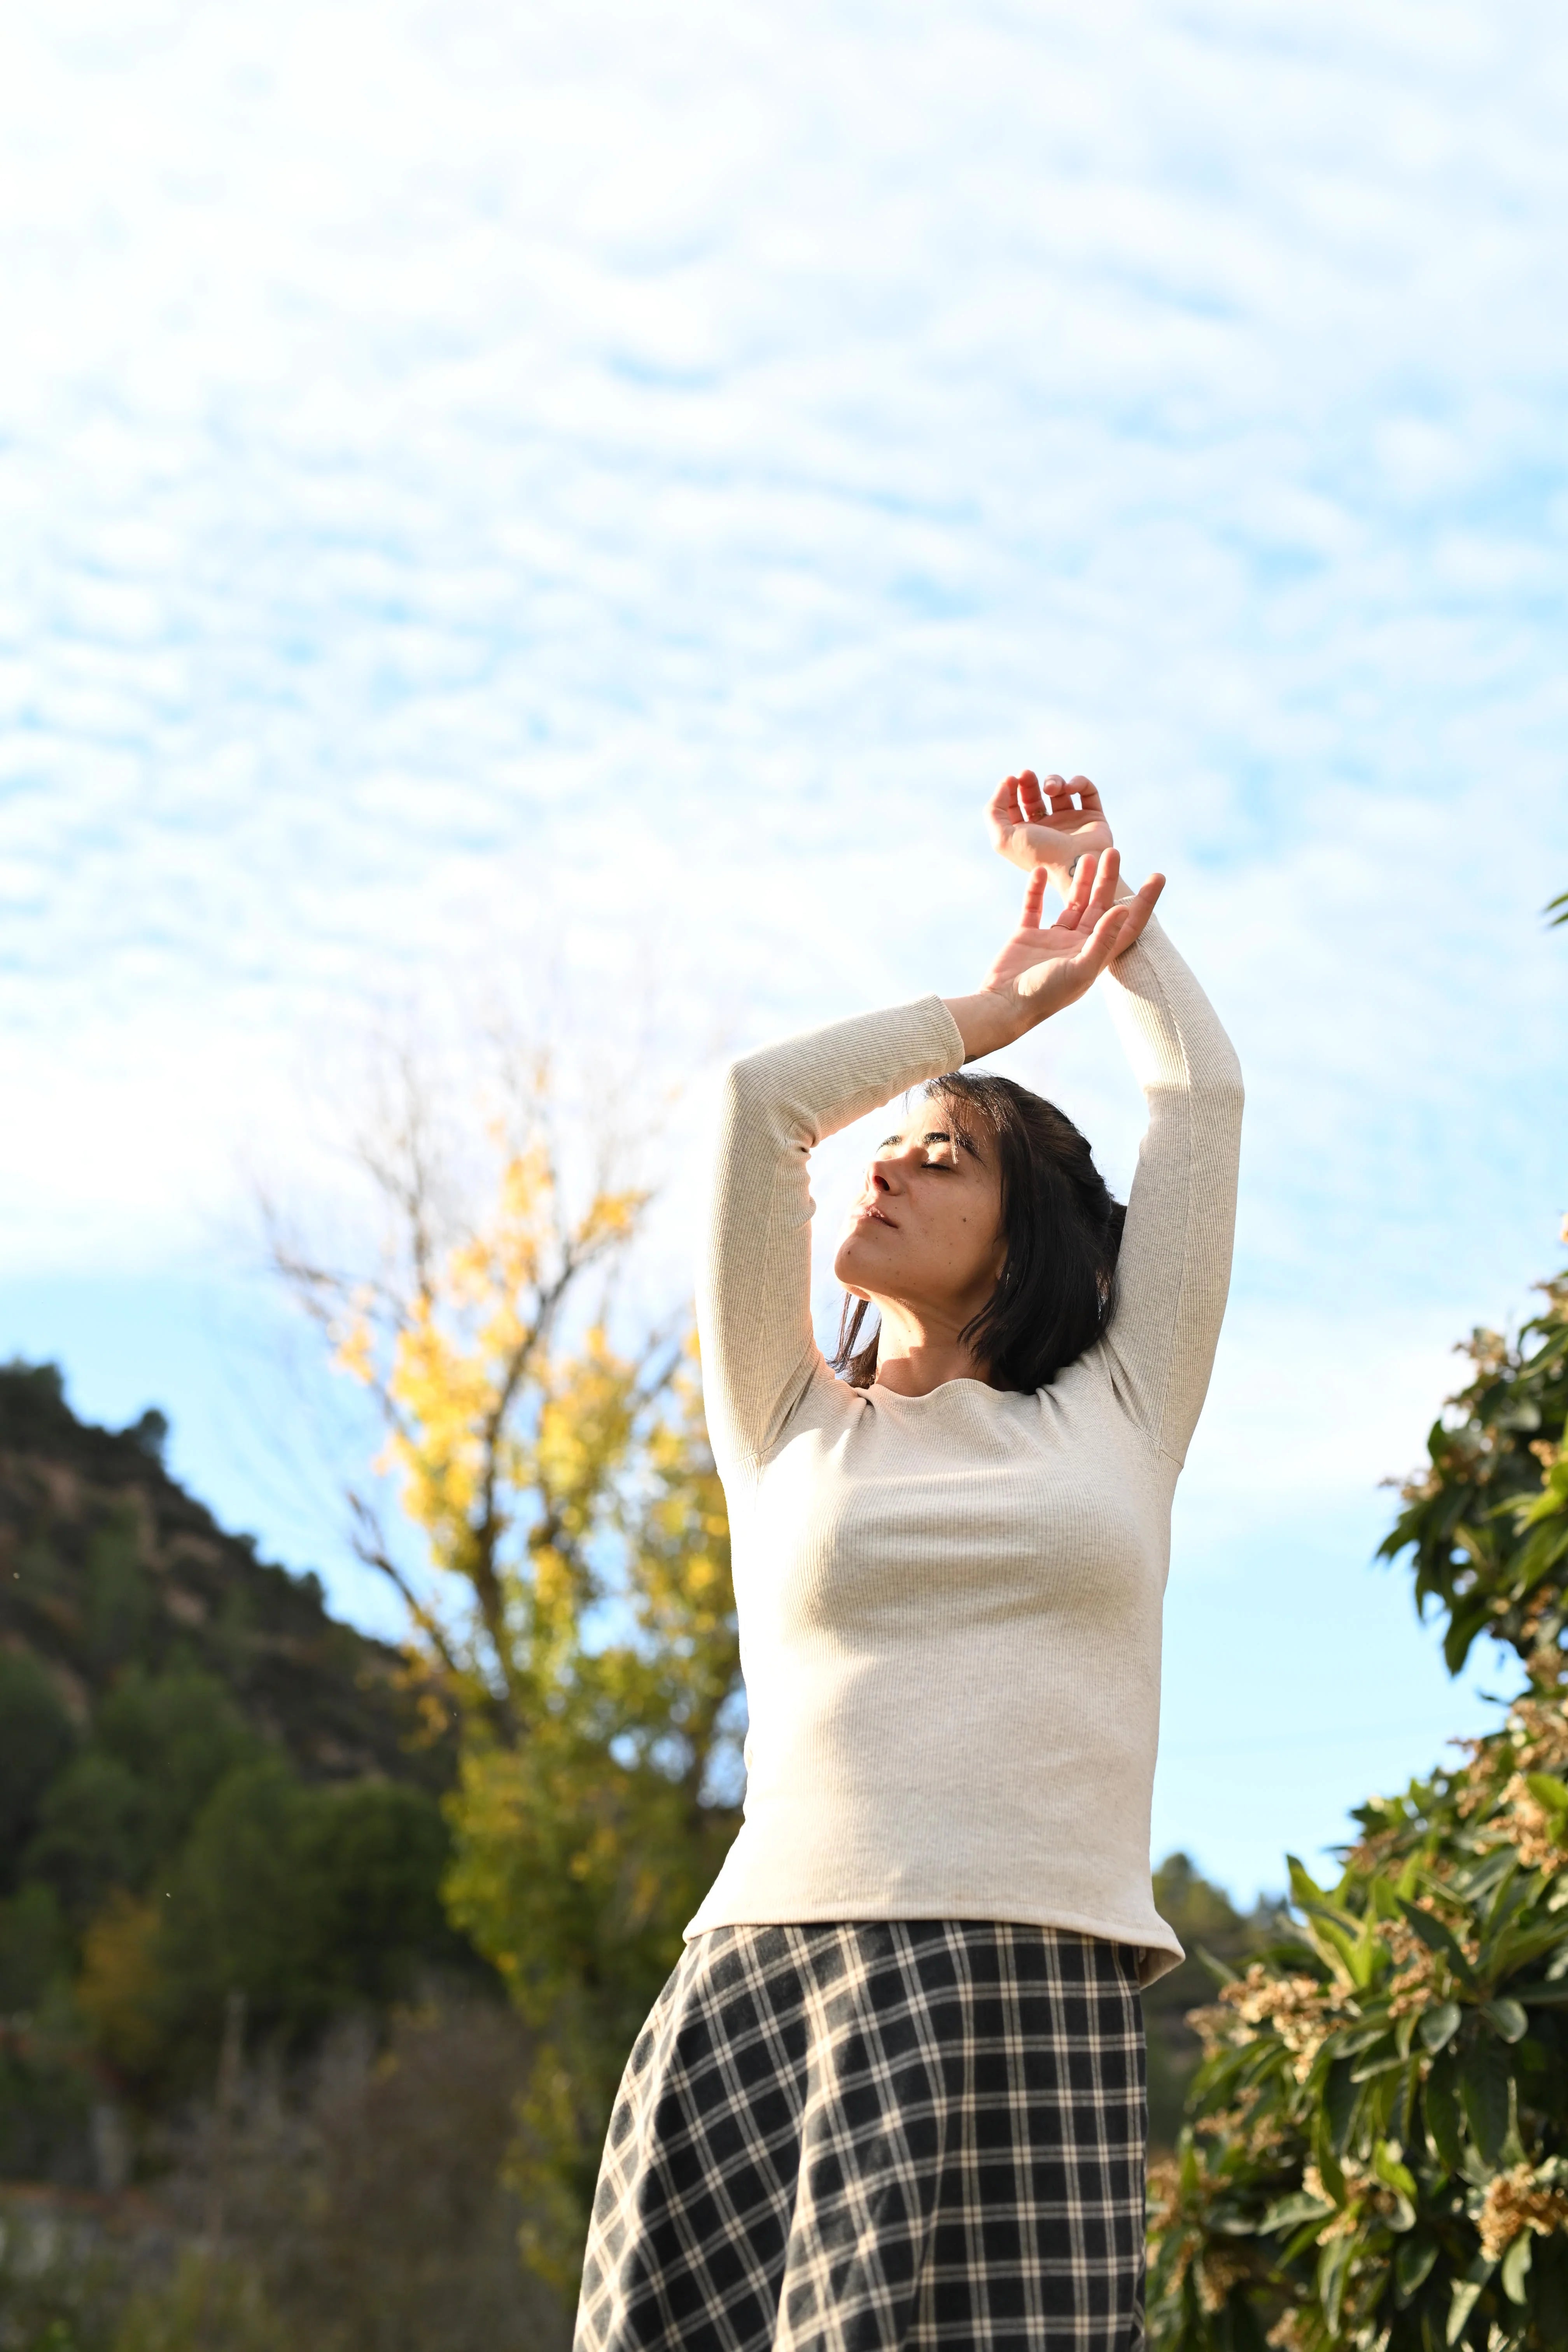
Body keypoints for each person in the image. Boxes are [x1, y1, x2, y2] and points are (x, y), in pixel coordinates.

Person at [575, 774, 1244, 2352]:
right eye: (883, 1150)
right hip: (764, 1995)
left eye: (942, 1158)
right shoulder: (782, 1413)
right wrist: (991, 1012)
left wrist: (1111, 924)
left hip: (1027, 1995)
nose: (881, 1169)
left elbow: (1199, 1106)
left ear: (1027, 1238)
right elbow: (758, 1105)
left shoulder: (1125, 1411)